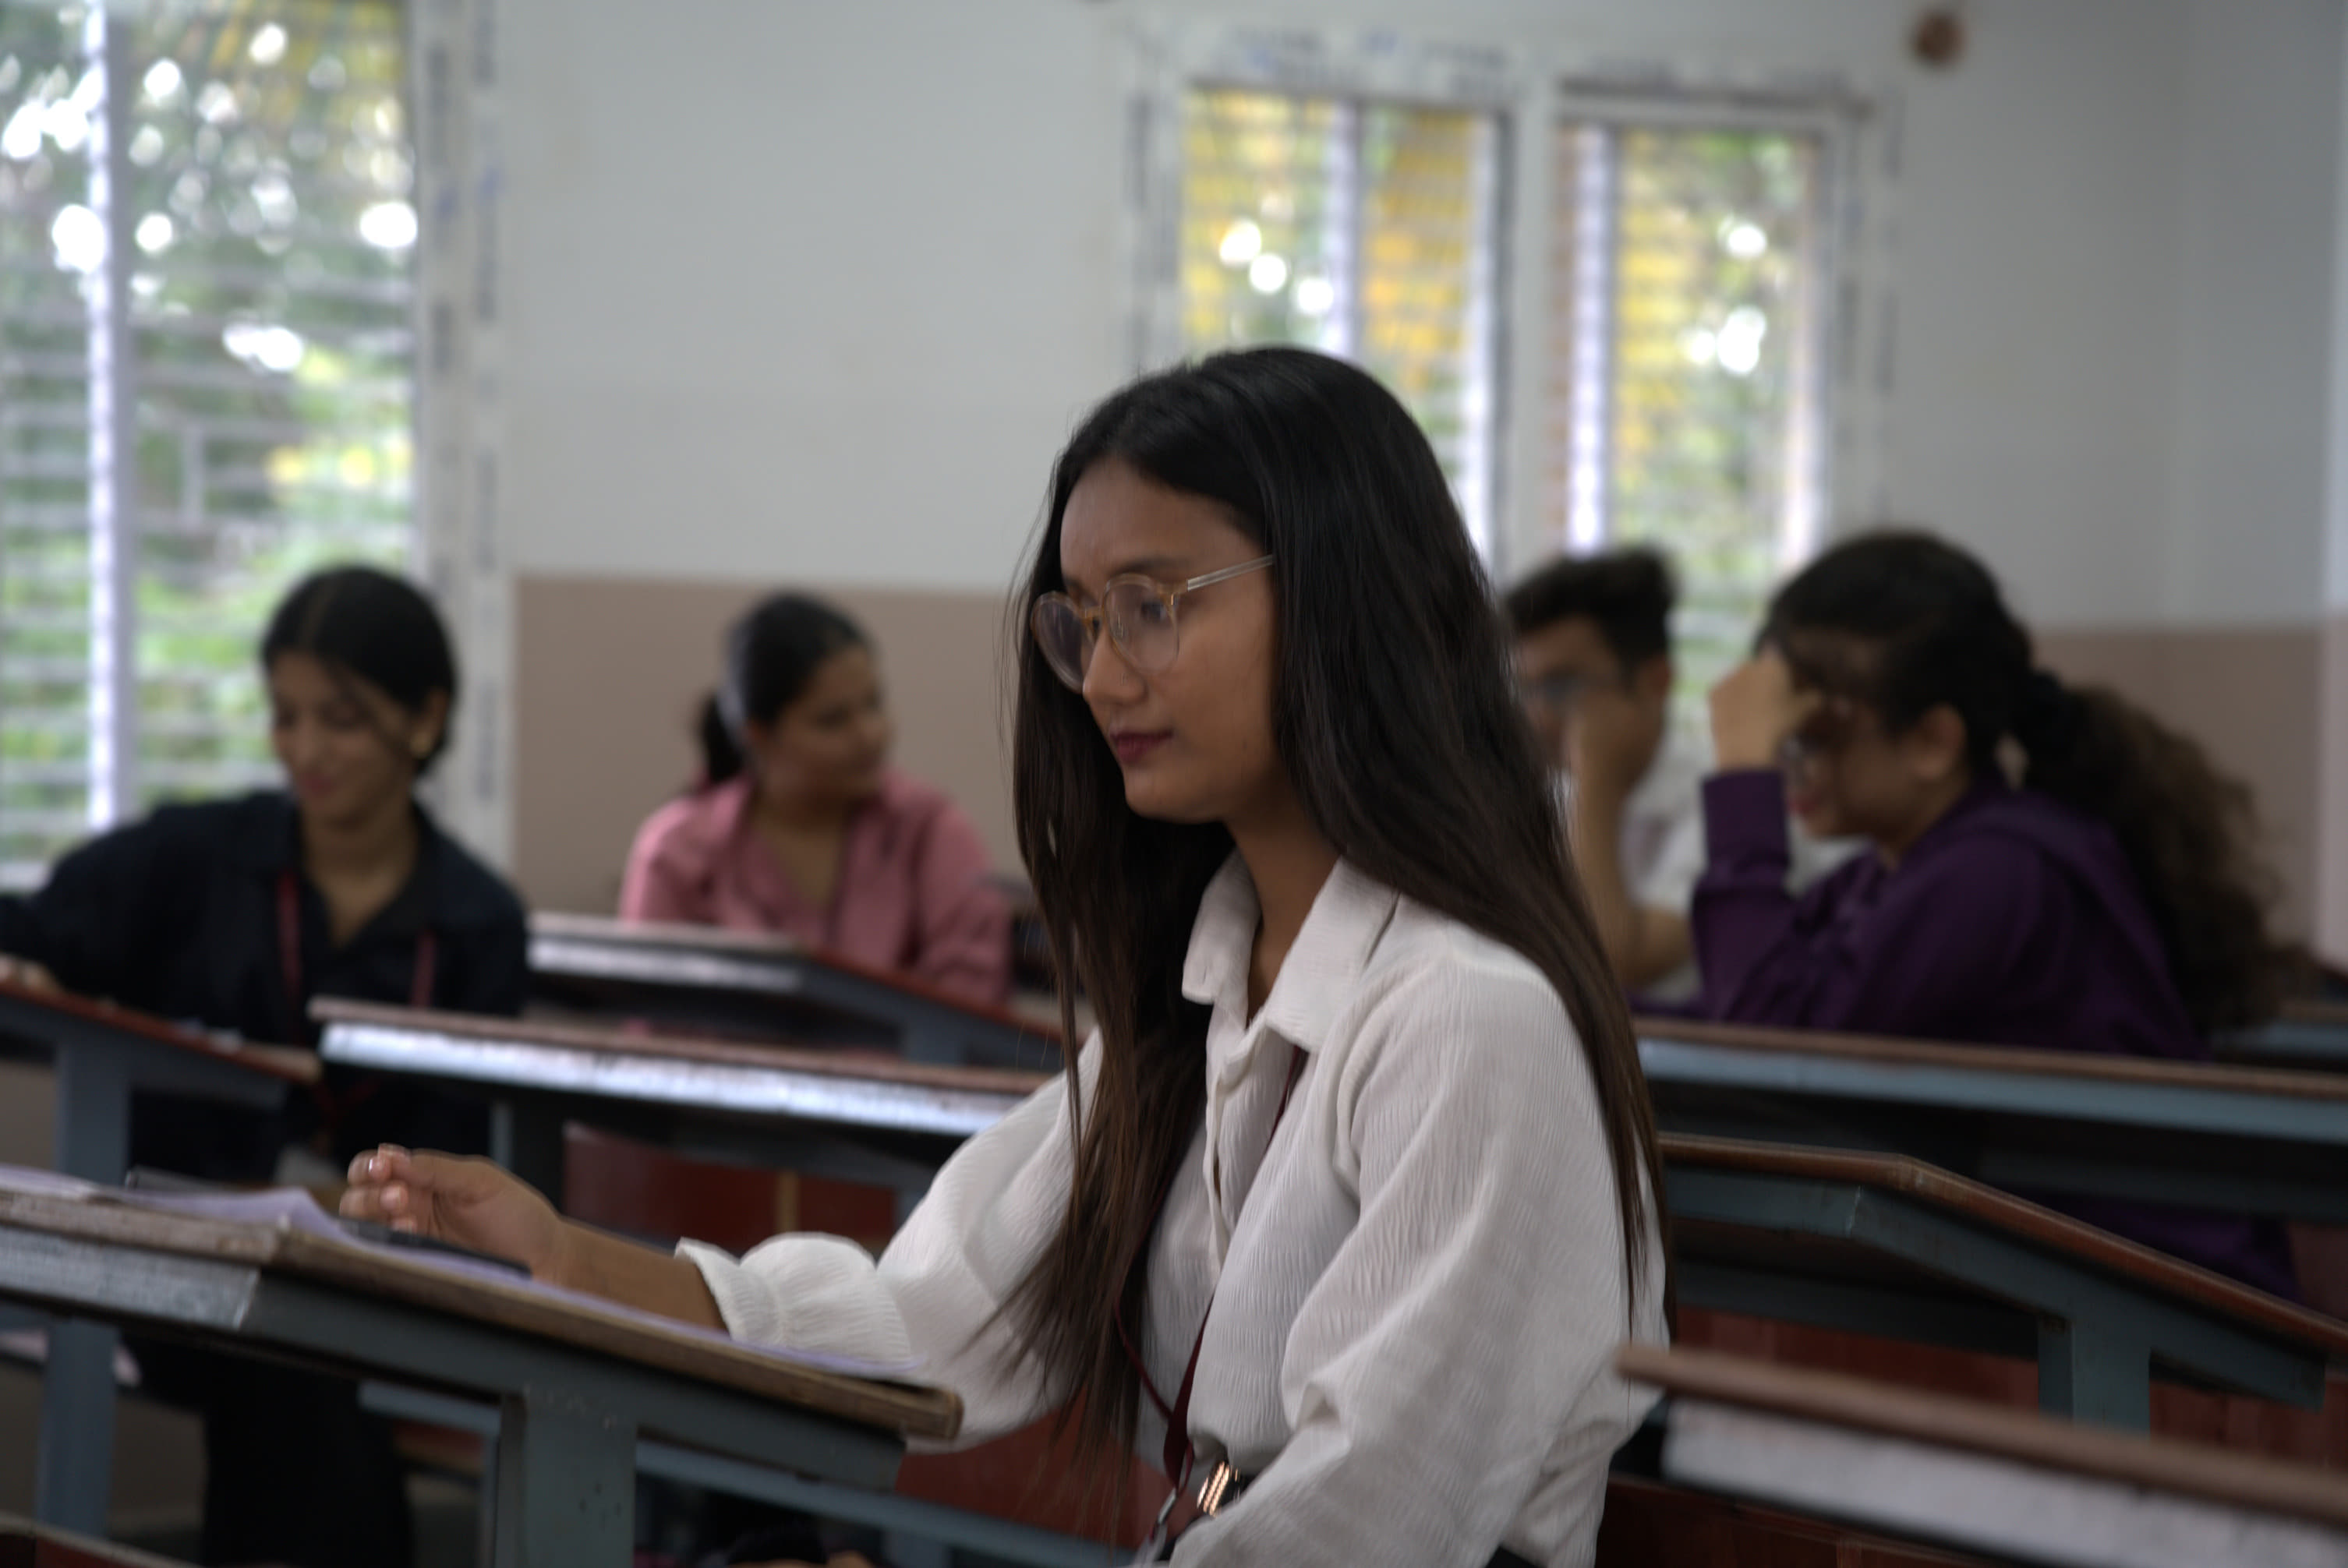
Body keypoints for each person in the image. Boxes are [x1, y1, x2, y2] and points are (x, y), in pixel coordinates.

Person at [345, 347, 1670, 1566]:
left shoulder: (1465, 1018)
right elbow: (939, 1315)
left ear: (1343, 598)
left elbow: (1372, 1513)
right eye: (1081, 619)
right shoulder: (1206, 988)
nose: (1098, 677)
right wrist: (570, 1258)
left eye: (1150, 605)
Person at [0, 563, 529, 1567]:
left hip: (381, 1274)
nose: (305, 750)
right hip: (183, 1262)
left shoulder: (476, 918)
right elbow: (35, 929)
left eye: (342, 719)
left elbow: (466, 1149)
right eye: (286, 717)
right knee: (283, 1347)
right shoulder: (198, 857)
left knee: (302, 1341)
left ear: (425, 718)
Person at [1697, 528, 2303, 1295]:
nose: (1786, 761)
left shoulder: (2004, 871)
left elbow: (1765, 1046)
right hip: (2055, 1282)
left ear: (1931, 740)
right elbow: (1728, 1015)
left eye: (1809, 734)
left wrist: (1740, 777)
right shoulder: (1880, 876)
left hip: (2179, 1312)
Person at [621, 592, 1013, 1005]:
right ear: (759, 734)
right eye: (833, 721)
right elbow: (657, 1024)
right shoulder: (678, 851)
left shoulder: (930, 831)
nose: (869, 735)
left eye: (873, 704)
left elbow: (971, 1004)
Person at [1505, 547, 1706, 1001]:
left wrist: (1596, 778)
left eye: (1560, 687)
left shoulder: (1722, 801)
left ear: (1656, 683)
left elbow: (1617, 963)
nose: (1536, 715)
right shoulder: (1539, 794)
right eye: (1523, 689)